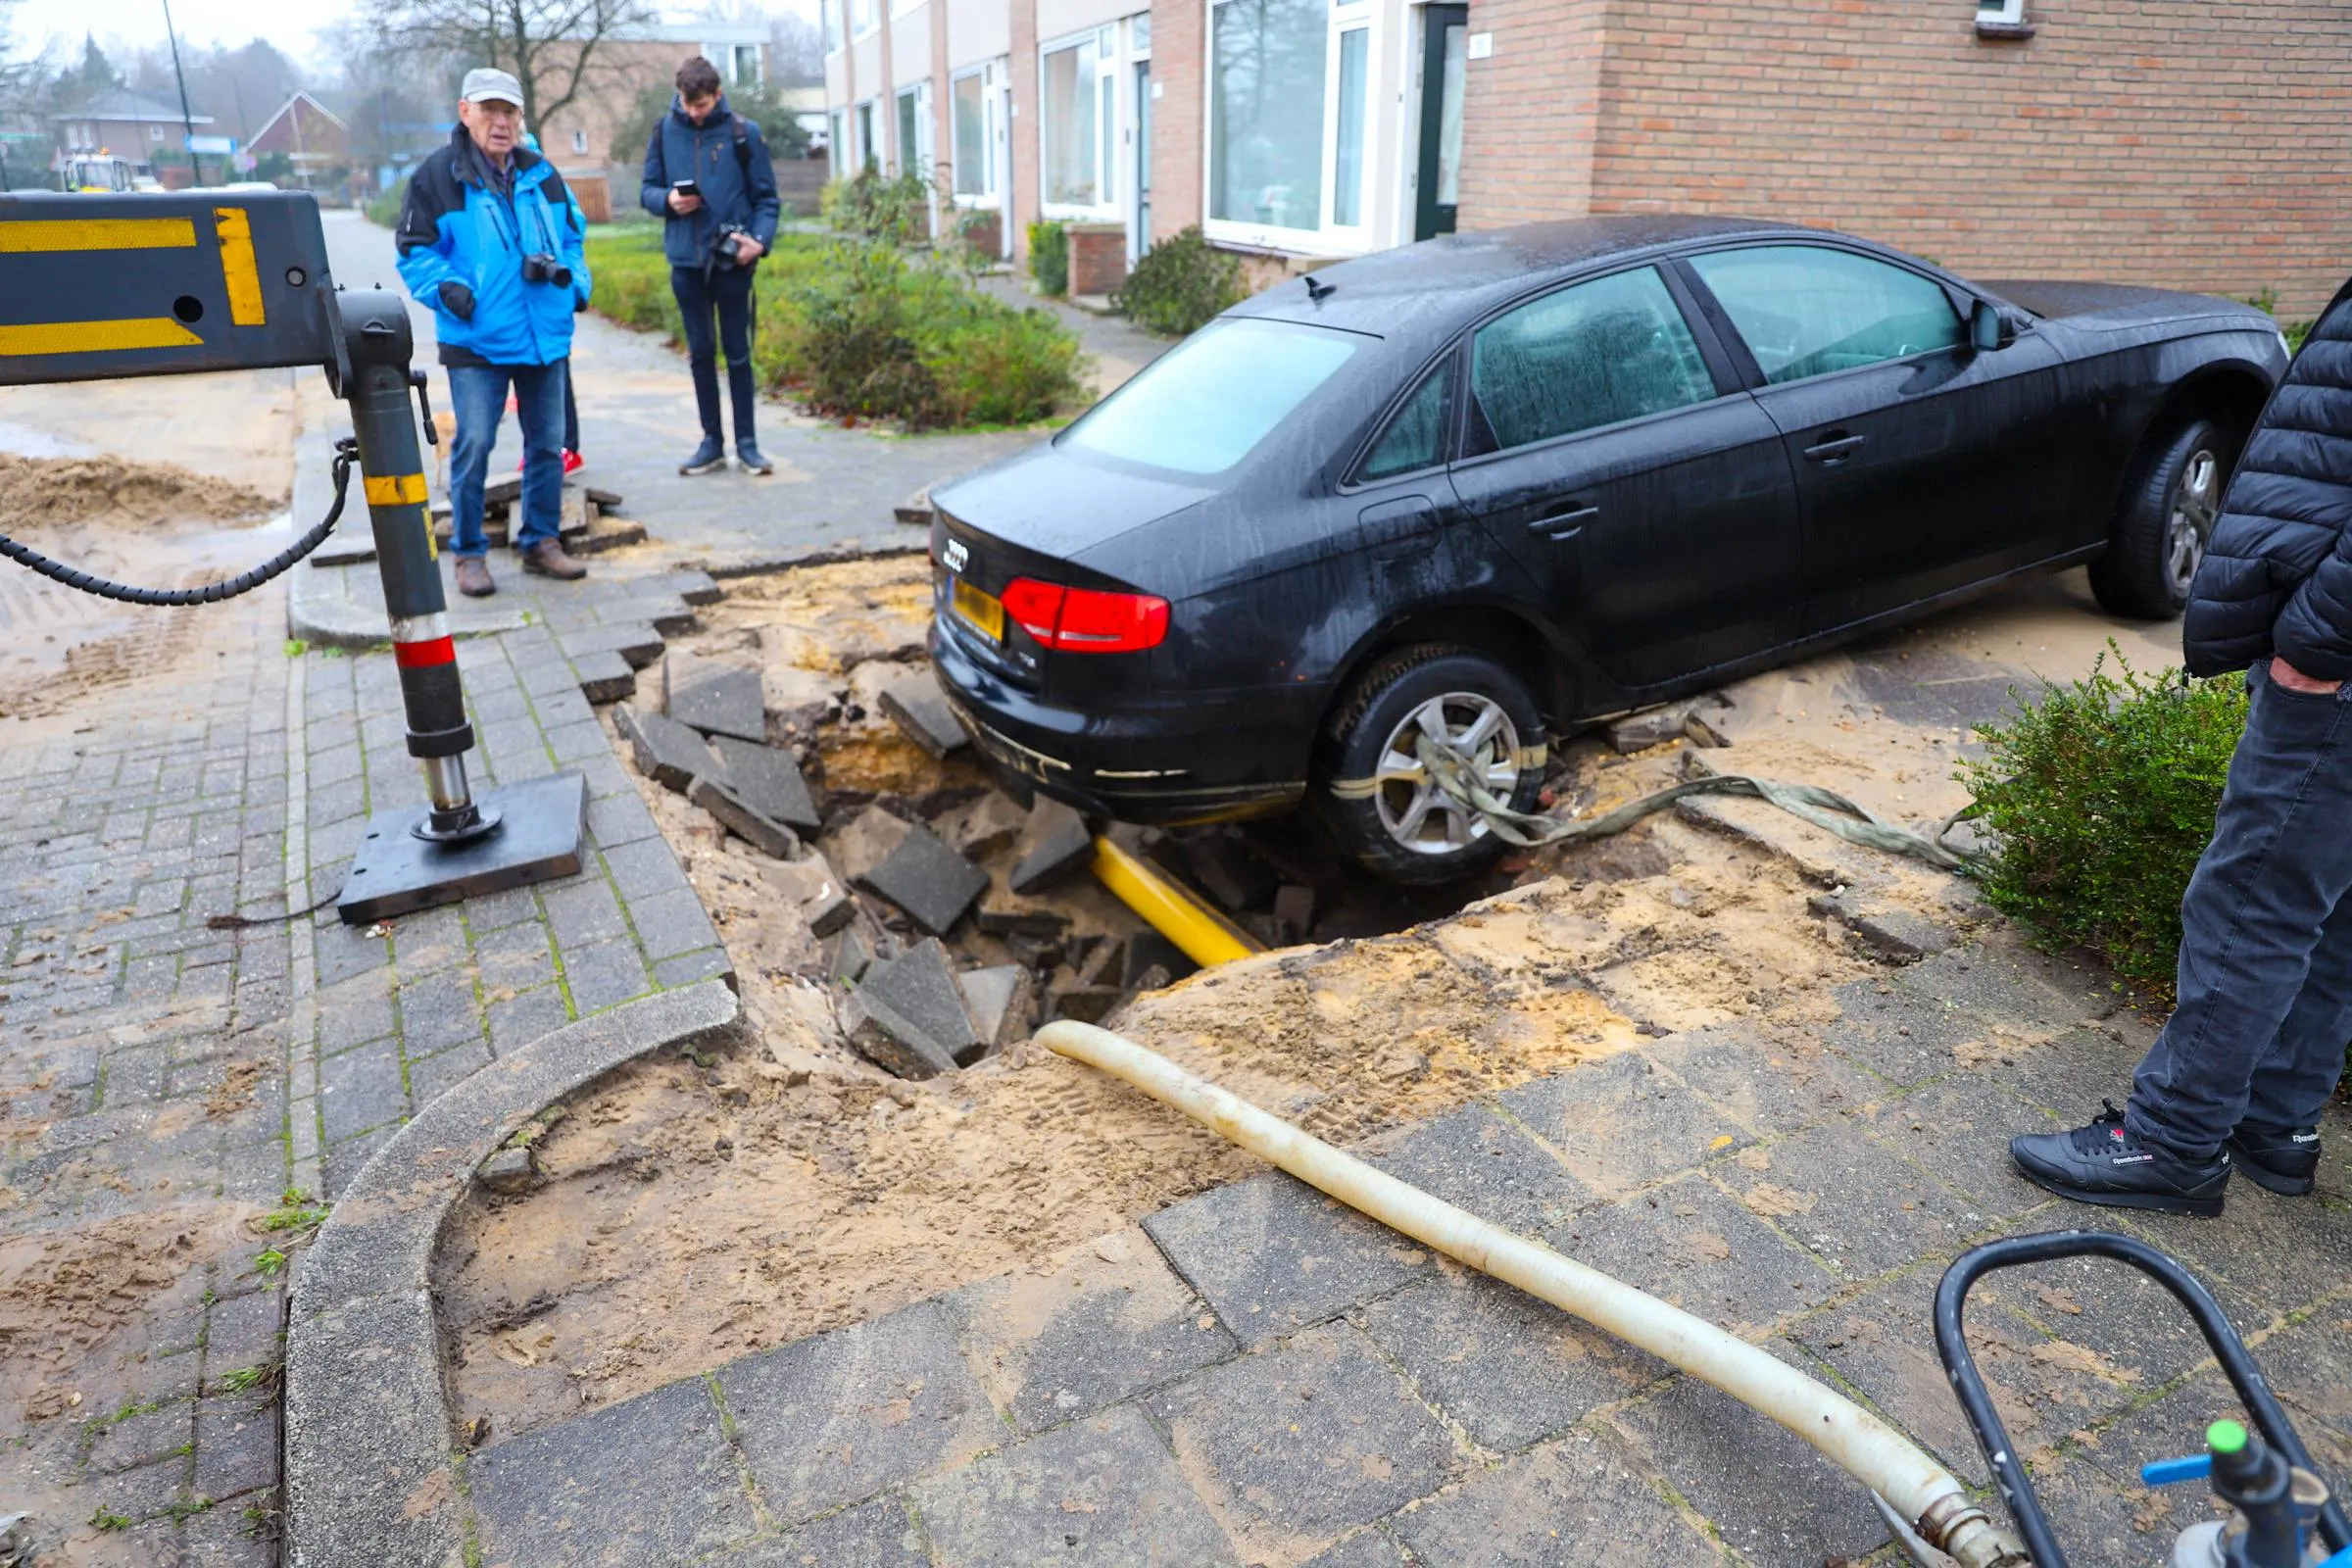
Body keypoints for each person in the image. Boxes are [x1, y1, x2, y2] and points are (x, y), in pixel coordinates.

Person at [2012, 284, 2352, 1217]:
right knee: (2329, 905)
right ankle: (2273, 1125)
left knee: (2253, 904)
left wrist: (2316, 647)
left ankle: (2173, 1141)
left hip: (2337, 675)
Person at [395, 67, 593, 597]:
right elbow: (414, 252)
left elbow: (575, 236)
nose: (500, 122)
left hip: (543, 336)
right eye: (489, 111)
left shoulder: (542, 172)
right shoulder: (437, 177)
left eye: (509, 111)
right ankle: (468, 553)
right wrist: (450, 291)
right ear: (466, 112)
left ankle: (541, 542)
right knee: (476, 443)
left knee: (548, 445)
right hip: (477, 340)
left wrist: (576, 285)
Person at [639, 55, 781, 476]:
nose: (693, 111)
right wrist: (668, 201)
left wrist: (758, 241)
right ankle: (711, 442)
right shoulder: (664, 131)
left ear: (717, 95)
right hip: (685, 261)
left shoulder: (743, 134)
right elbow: (646, 190)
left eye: (700, 105)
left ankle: (748, 445)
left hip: (732, 262)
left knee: (738, 354)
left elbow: (767, 200)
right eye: (687, 103)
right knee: (701, 354)